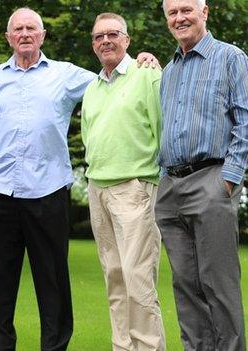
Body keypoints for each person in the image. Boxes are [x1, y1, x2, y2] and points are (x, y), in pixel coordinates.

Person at [0, 7, 158, 351]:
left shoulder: (68, 75)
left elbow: (113, 79)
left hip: (48, 192)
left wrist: (141, 60)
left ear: (42, 36)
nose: (25, 34)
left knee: (53, 282)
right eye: (18, 29)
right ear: (9, 37)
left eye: (32, 28)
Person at [155, 1, 248, 350]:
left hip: (211, 181)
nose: (179, 18)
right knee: (185, 287)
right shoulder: (169, 71)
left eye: (186, 9)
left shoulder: (231, 58)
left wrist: (227, 181)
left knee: (219, 286)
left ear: (205, 12)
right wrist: (162, 179)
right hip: (171, 187)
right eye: (172, 12)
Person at [81, 12, 166, 351]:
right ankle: (122, 347)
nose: (106, 40)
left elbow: (163, 131)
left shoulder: (147, 75)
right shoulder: (92, 87)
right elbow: (90, 137)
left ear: (127, 40)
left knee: (137, 279)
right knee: (114, 277)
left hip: (135, 188)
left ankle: (147, 348)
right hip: (97, 188)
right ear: (93, 44)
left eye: (113, 33)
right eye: (99, 36)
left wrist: (160, 181)